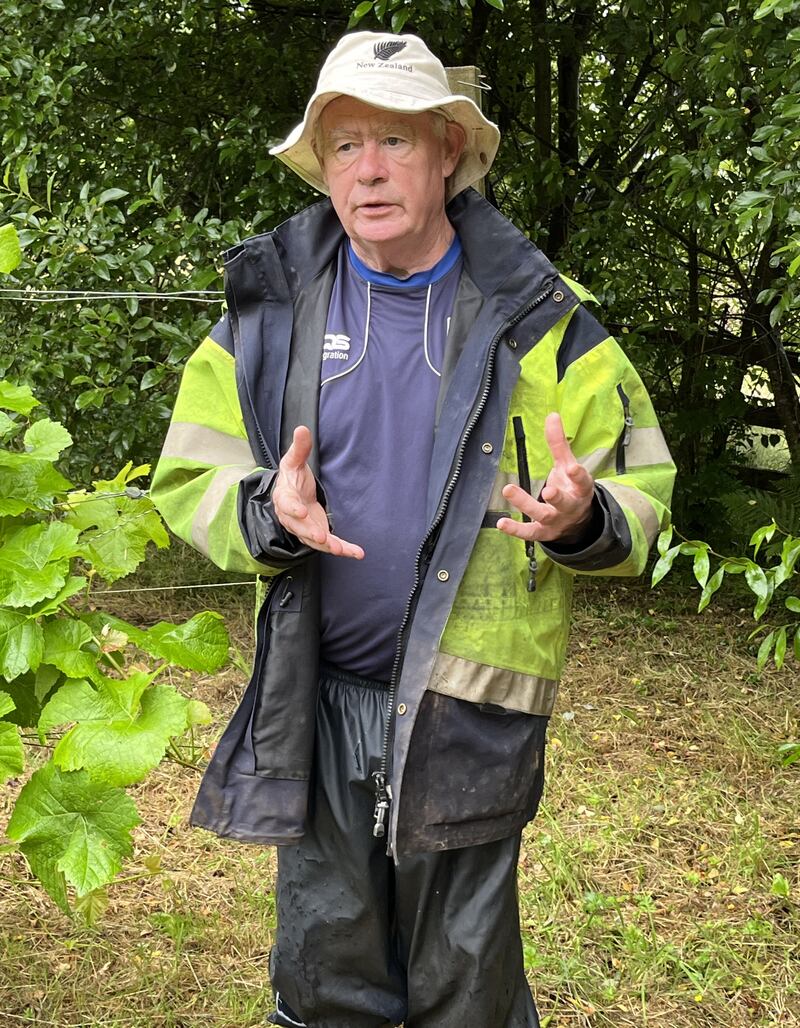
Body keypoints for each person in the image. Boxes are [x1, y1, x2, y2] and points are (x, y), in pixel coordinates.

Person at [151, 31, 675, 1028]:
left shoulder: (546, 321)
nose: (368, 169)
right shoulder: (268, 313)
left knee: (466, 985)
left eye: (394, 140)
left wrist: (583, 517)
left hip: (469, 706)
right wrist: (267, 509)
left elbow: (642, 489)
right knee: (326, 973)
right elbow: (188, 475)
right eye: (345, 145)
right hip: (316, 696)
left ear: (447, 152)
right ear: (323, 167)